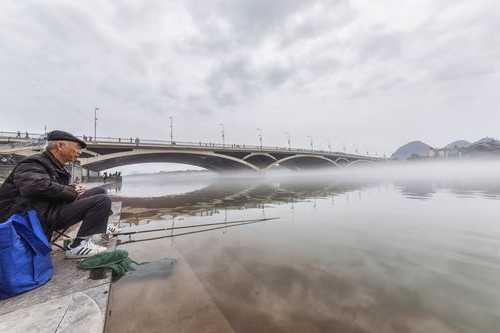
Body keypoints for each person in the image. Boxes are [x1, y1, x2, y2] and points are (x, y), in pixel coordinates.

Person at [0, 130, 111, 258]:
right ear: (60, 146)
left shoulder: (52, 164)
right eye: (77, 147)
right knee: (102, 200)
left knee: (100, 191)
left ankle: (96, 233)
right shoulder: (33, 162)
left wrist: (71, 188)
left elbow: (47, 185)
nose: (79, 152)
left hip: (46, 210)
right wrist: (72, 192)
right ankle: (78, 246)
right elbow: (34, 186)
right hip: (29, 218)